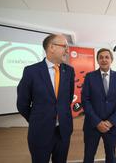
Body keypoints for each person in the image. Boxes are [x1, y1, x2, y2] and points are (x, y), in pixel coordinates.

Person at [17, 34, 75, 163]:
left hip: (63, 131)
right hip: (40, 131)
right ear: (51, 47)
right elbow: (22, 104)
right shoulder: (31, 71)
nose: (67, 50)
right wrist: (36, 119)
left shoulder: (69, 71)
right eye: (64, 46)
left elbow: (67, 99)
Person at [81, 48, 116, 163]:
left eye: (107, 57)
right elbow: (85, 100)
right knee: (88, 155)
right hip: (92, 124)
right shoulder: (89, 77)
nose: (104, 59)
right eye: (101, 57)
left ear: (111, 59)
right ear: (97, 60)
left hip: (112, 125)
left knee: (111, 156)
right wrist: (97, 122)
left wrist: (111, 121)